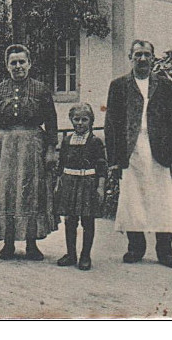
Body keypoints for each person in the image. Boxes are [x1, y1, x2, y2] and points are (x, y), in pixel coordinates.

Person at [105, 39, 172, 268]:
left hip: (161, 149)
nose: (142, 59)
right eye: (137, 54)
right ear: (130, 57)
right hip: (132, 149)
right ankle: (135, 248)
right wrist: (114, 160)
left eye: (146, 55)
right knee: (133, 198)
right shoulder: (119, 86)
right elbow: (111, 123)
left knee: (164, 199)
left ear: (153, 58)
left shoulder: (165, 86)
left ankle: (165, 251)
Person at [0, 44, 58, 260]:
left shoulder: (41, 90)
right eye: (13, 62)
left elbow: (51, 122)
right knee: (7, 193)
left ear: (29, 64)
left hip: (33, 147)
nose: (18, 66)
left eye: (22, 62)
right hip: (4, 148)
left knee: (31, 193)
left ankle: (32, 244)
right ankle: (8, 243)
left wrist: (51, 150)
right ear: (7, 66)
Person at [53, 103, 107, 271]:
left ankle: (85, 255)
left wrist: (100, 187)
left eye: (84, 119)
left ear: (91, 121)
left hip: (87, 184)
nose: (80, 123)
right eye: (76, 119)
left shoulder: (95, 141)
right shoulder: (67, 140)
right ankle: (71, 254)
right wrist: (58, 183)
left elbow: (102, 166)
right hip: (69, 183)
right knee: (70, 220)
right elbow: (61, 164)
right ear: (71, 120)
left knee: (87, 220)